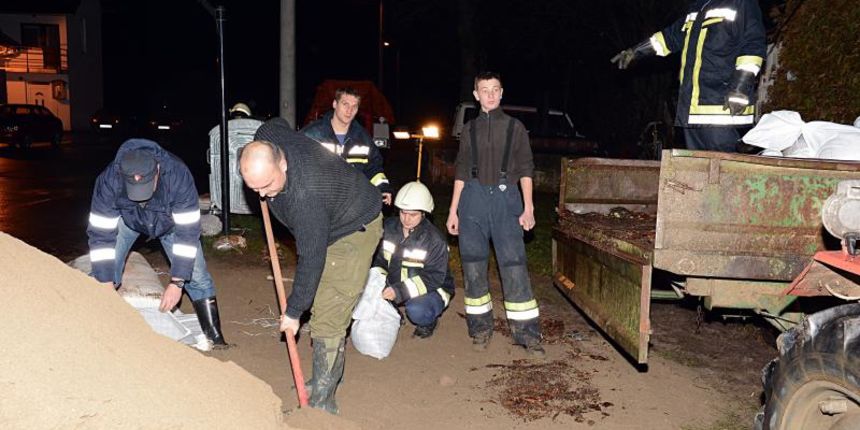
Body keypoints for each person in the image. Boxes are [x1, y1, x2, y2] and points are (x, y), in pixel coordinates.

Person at [237, 118, 382, 414]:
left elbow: (311, 259)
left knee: (329, 314)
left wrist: (293, 312)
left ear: (284, 164)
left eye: (266, 185)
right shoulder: (268, 136)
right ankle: (322, 380)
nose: (262, 195)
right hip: (330, 216)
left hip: (355, 228)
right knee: (322, 301)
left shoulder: (307, 198)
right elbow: (275, 123)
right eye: (253, 187)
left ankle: (322, 407)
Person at [87, 139, 227, 346]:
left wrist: (177, 282)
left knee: (196, 274)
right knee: (103, 272)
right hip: (129, 221)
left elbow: (188, 233)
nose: (139, 195)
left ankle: (214, 336)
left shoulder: (178, 176)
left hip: (171, 224)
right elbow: (101, 234)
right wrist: (105, 281)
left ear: (158, 171)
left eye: (145, 187)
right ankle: (102, 330)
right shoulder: (109, 180)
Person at [446, 71, 544, 357]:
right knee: (474, 264)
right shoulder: (469, 130)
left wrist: (528, 207)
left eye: (495, 89)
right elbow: (461, 171)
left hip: (506, 200)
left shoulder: (515, 128)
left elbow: (526, 168)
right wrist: (453, 210)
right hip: (473, 201)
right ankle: (480, 330)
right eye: (484, 90)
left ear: (502, 93)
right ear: (476, 95)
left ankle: (527, 334)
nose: (489, 94)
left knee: (513, 265)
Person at [611, 0, 766, 152]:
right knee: (698, 171)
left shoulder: (742, 3)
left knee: (724, 169)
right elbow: (669, 37)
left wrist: (740, 86)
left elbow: (753, 45)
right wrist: (636, 51)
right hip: (692, 111)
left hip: (721, 108)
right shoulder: (697, 8)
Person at [374, 181, 455, 339]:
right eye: (403, 213)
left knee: (417, 310)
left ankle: (428, 321)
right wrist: (375, 283)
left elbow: (434, 277)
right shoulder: (388, 228)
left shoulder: (434, 240)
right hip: (397, 283)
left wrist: (399, 291)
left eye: (413, 215)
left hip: (433, 288)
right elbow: (379, 262)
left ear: (424, 213)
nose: (406, 219)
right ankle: (395, 313)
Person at [301, 87, 392, 205]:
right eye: (345, 104)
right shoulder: (312, 135)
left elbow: (374, 169)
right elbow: (297, 165)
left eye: (354, 106)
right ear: (335, 104)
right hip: (318, 202)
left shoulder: (363, 138)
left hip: (351, 205)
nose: (349, 110)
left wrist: (383, 188)